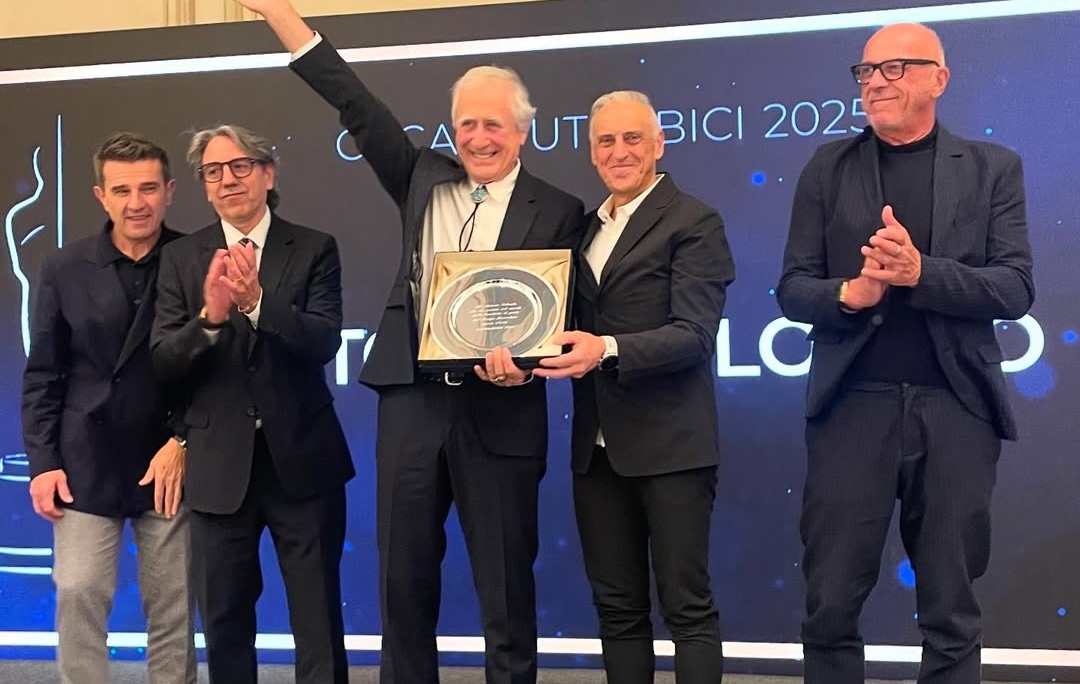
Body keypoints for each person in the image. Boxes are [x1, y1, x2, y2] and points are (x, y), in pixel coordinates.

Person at [230, 2, 585, 682]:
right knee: (403, 584)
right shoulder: (421, 177)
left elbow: (559, 312)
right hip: (413, 405)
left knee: (507, 588)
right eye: (467, 123)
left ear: (521, 132)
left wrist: (528, 368)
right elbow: (354, 103)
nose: (478, 137)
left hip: (503, 412)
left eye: (493, 124)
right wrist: (282, 15)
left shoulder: (560, 209)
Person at [776, 22, 1034, 684]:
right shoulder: (827, 167)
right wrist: (853, 292)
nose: (876, 82)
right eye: (867, 71)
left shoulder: (992, 168)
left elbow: (1015, 288)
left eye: (895, 67)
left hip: (956, 409)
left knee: (951, 609)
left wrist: (922, 274)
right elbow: (793, 288)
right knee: (830, 604)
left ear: (938, 79)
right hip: (851, 410)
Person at [534, 91, 734, 684]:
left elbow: (694, 335)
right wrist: (517, 355)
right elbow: (556, 322)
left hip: (673, 449)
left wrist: (608, 349)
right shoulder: (583, 229)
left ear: (658, 145)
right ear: (591, 151)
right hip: (596, 452)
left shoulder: (694, 221)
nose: (618, 151)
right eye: (606, 141)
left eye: (632, 138)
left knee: (687, 609)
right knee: (617, 611)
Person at [150, 124, 354, 684]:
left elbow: (323, 342)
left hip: (303, 461)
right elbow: (164, 362)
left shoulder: (314, 247)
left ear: (268, 173)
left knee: (317, 620)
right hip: (219, 467)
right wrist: (210, 319)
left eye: (239, 166)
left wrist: (259, 303)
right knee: (225, 624)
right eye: (213, 172)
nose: (227, 180)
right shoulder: (180, 257)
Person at [21, 132, 196, 684]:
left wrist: (184, 440)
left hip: (168, 459)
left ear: (170, 191)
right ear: (101, 195)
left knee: (172, 601)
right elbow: (44, 373)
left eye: (148, 188)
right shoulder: (65, 266)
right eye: (122, 190)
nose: (136, 202)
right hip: (84, 462)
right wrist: (43, 462)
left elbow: (217, 370)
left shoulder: (196, 258)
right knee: (77, 591)